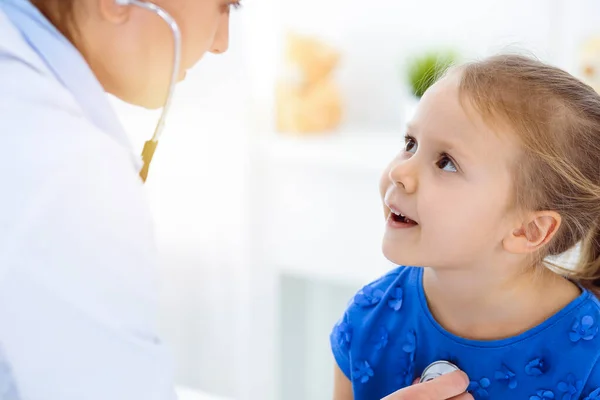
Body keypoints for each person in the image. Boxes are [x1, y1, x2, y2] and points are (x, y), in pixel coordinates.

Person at [330, 54, 600, 400]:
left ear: (528, 231)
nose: (400, 172)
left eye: (446, 163)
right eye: (410, 144)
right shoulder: (369, 319)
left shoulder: (590, 360)